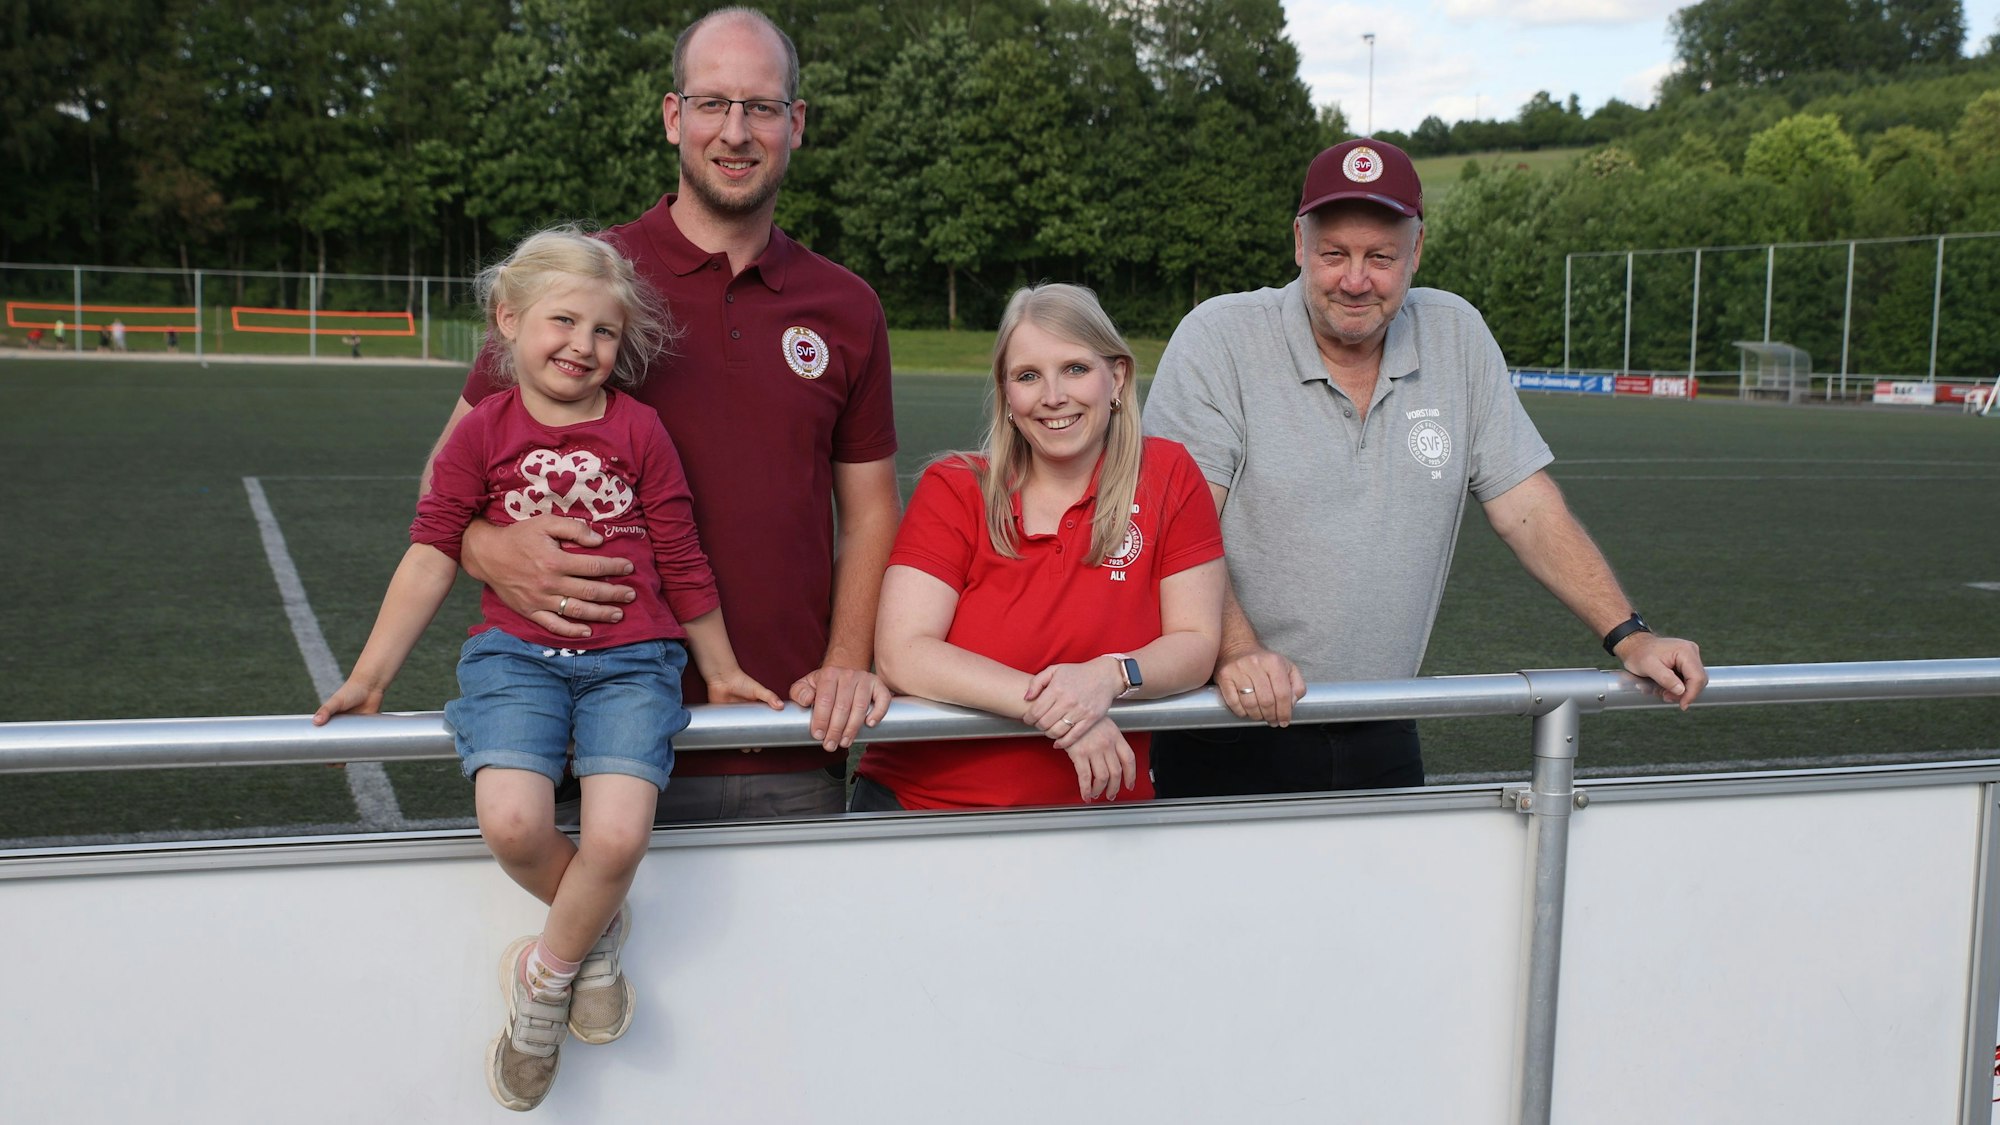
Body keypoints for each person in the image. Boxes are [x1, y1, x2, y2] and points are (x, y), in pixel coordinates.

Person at [314, 227, 783, 1111]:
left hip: (632, 665)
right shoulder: (481, 433)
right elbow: (431, 554)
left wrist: (716, 668)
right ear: (508, 320)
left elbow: (683, 556)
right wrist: (371, 676)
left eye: (604, 332)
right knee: (514, 821)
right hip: (515, 660)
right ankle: (595, 936)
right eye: (562, 321)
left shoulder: (641, 430)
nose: (582, 346)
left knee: (616, 838)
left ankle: (542, 982)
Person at [426, 7, 900, 821]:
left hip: (782, 730)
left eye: (761, 107)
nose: (737, 131)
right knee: (610, 941)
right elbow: (448, 478)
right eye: (713, 103)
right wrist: (490, 549)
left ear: (797, 124)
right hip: (590, 738)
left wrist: (849, 660)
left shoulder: (848, 307)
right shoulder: (588, 286)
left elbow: (868, 515)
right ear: (674, 117)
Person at [1143, 138, 1708, 797]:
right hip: (1226, 719)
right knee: (1225, 903)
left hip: (1383, 721)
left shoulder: (1455, 333)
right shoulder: (1219, 337)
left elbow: (1527, 506)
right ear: (1299, 244)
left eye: (1380, 257)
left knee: (1388, 900)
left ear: (1417, 251)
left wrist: (1630, 634)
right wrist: (1237, 652)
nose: (1356, 280)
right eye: (1334, 254)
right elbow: (1179, 525)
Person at [855, 284, 1226, 810]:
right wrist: (1067, 713)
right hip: (928, 810)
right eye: (1028, 376)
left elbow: (1195, 642)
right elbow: (903, 654)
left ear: (1116, 376)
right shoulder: (957, 488)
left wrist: (1110, 675)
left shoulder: (1167, 476)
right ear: (1008, 396)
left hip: (1101, 818)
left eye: (1075, 368)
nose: (1053, 395)